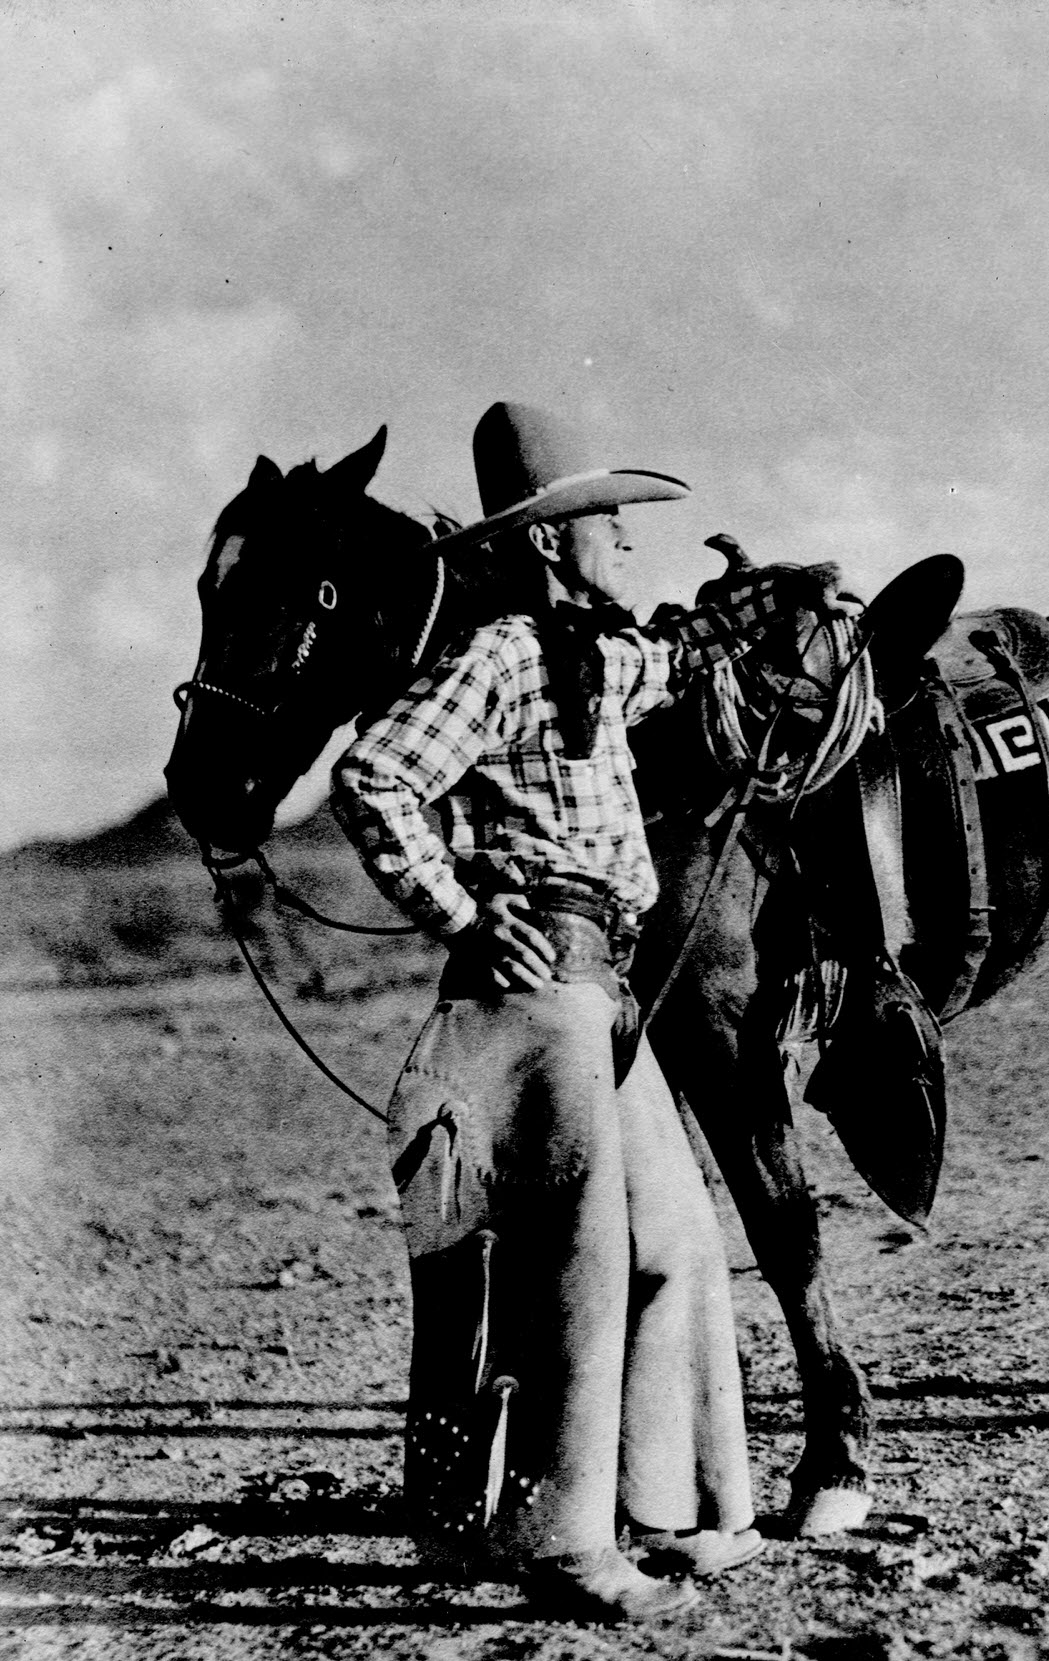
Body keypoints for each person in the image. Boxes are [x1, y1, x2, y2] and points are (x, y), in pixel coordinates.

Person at [332, 402, 845, 1621]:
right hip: (533, 987)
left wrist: (756, 614)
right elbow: (375, 773)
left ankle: (663, 1509)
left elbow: (681, 664)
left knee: (670, 1242)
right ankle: (565, 1543)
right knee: (581, 1258)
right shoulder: (504, 654)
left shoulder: (595, 657)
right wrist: (457, 912)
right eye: (605, 523)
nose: (625, 539)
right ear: (552, 544)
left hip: (601, 986)